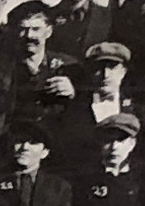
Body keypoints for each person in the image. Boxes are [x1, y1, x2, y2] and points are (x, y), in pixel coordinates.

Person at [50, 42, 144, 180]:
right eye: (98, 68)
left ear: (123, 71)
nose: (105, 74)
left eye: (113, 67)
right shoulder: (71, 109)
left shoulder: (136, 111)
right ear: (89, 71)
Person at [0, 0, 81, 123]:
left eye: (36, 29)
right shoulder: (1, 70)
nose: (29, 35)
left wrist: (72, 94)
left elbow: (82, 113)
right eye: (23, 29)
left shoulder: (69, 66)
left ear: (48, 31)